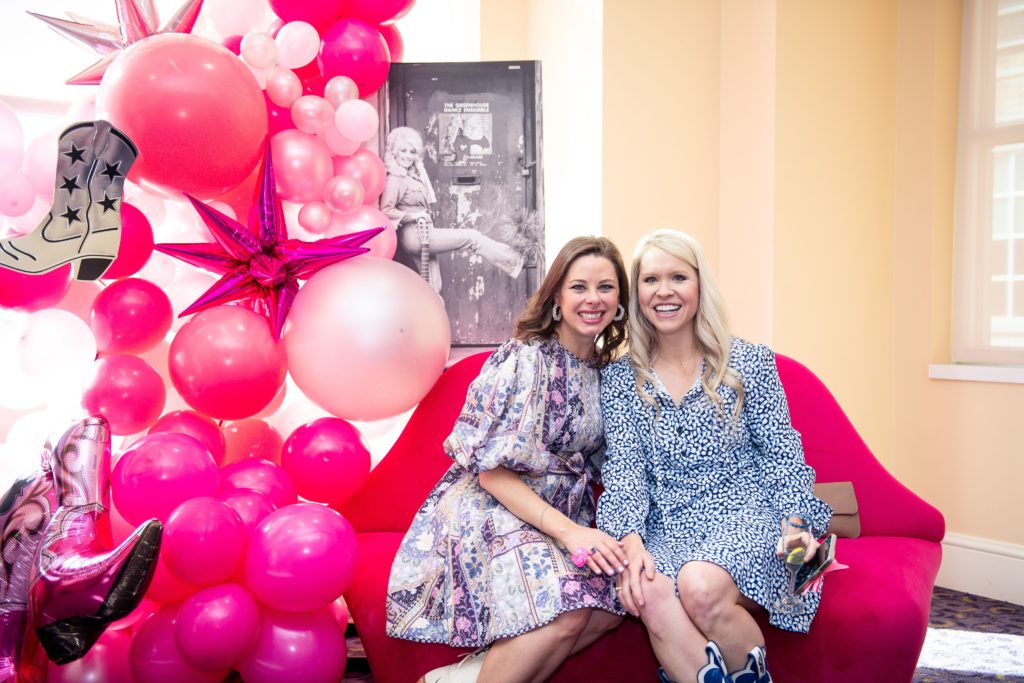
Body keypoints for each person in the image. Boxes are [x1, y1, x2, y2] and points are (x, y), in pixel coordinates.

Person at [386, 236, 631, 683]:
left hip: (556, 514)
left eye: (606, 287)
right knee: (568, 606)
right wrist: (572, 532)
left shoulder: (604, 374)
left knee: (613, 604)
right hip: (491, 508)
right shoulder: (525, 359)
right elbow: (490, 474)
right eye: (579, 287)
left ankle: (454, 680)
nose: (593, 299)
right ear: (557, 297)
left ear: (619, 302)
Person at [596, 230, 832, 683]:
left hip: (746, 515)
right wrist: (629, 541)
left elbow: (782, 454)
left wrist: (797, 526)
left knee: (699, 585)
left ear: (700, 285)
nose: (664, 291)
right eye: (650, 280)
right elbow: (625, 470)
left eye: (678, 277)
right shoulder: (621, 379)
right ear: (636, 292)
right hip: (666, 525)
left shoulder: (750, 362)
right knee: (647, 589)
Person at [380, 126, 524, 294]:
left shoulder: (414, 175)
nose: (407, 156)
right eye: (403, 150)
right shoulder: (395, 179)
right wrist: (414, 215)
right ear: (394, 152)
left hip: (425, 232)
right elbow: (386, 211)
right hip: (415, 235)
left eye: (412, 152)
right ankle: (516, 260)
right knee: (472, 237)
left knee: (433, 288)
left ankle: (426, 312)